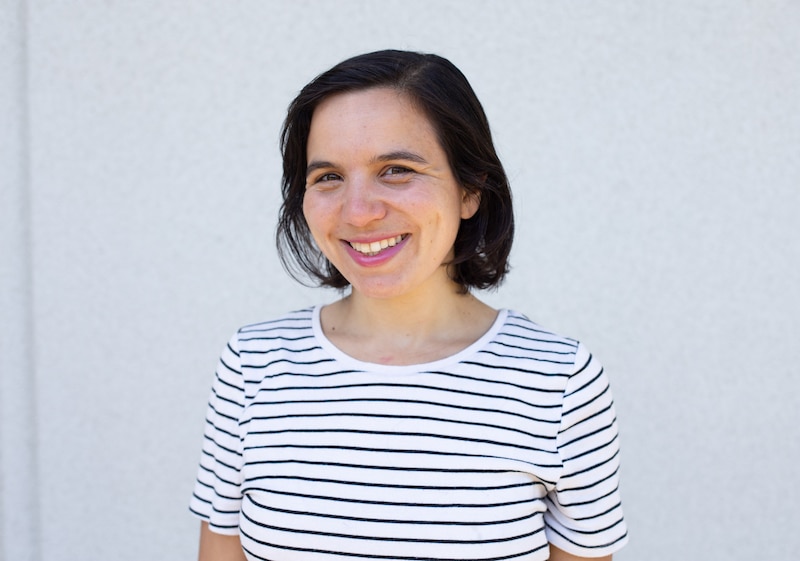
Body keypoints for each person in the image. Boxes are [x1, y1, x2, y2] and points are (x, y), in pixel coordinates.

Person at [190, 49, 628, 561]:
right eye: (328, 177)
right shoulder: (252, 365)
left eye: (396, 169)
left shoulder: (559, 382)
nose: (358, 211)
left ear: (470, 191)